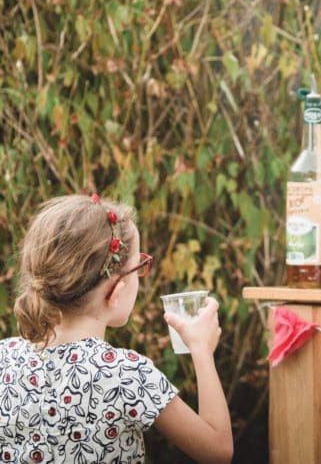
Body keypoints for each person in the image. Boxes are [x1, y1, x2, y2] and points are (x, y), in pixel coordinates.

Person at [1, 194, 233, 464]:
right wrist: (202, 350)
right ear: (117, 290)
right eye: (139, 267)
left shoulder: (5, 356)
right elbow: (217, 451)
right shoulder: (126, 374)